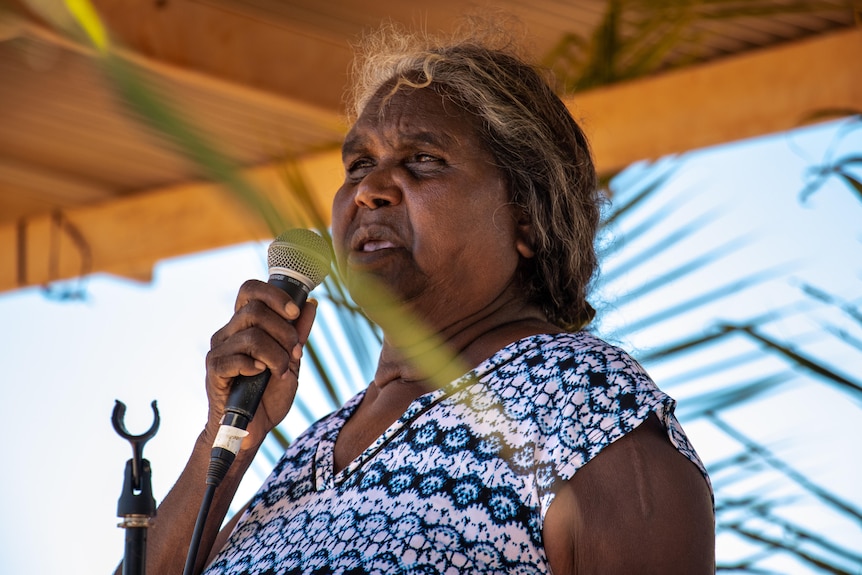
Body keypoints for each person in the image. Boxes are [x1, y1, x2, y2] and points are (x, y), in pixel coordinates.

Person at [133, 21, 714, 575]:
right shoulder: (309, 452)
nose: (369, 190)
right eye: (358, 165)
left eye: (422, 161)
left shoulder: (578, 395)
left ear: (528, 220)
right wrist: (228, 436)